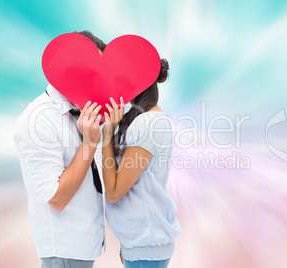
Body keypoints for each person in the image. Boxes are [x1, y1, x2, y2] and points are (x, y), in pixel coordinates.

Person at [13, 30, 106, 268]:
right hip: (65, 251)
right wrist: (89, 143)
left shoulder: (82, 110)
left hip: (85, 246)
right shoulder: (38, 119)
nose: (98, 77)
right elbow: (56, 198)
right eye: (91, 68)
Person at [101, 59, 181, 267]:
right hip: (141, 242)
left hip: (146, 243)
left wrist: (107, 135)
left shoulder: (147, 123)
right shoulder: (147, 119)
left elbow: (115, 191)